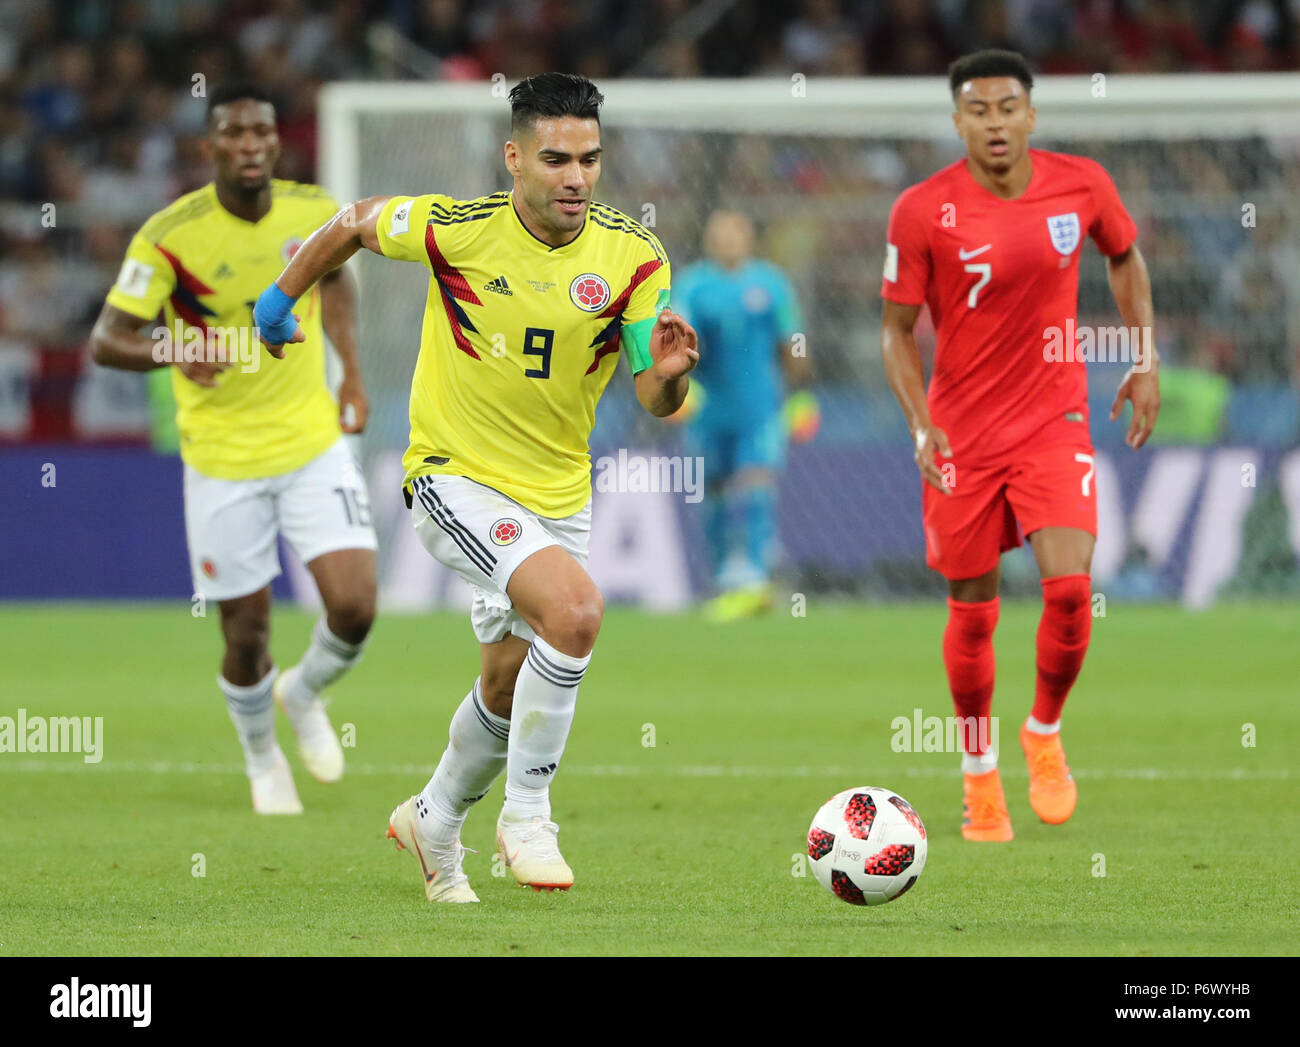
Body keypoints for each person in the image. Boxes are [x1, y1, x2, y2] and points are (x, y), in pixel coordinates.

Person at [253, 72, 698, 900]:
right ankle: (527, 816)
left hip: (557, 492)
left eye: (591, 160)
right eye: (557, 158)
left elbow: (653, 396)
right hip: (451, 477)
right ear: (515, 157)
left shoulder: (633, 255)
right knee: (577, 612)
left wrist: (670, 376)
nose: (576, 177)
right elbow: (352, 222)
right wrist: (280, 300)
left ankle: (433, 818)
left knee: (507, 681)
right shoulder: (456, 229)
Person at [880, 50, 1160, 841]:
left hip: (1053, 418)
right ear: (957, 120)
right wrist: (918, 422)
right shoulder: (921, 210)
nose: (995, 122)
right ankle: (977, 773)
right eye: (978, 109)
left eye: (1008, 107)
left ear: (1032, 115)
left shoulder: (1082, 185)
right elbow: (895, 331)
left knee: (1070, 590)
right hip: (960, 431)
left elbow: (1124, 254)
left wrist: (1145, 359)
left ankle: (1041, 730)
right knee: (972, 607)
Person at [89, 83, 377, 815]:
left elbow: (336, 280)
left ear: (276, 143)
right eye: (234, 135)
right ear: (210, 147)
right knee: (245, 633)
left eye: (262, 133)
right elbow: (107, 339)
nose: (250, 145)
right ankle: (261, 758)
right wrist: (176, 345)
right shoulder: (170, 234)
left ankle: (304, 691)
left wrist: (351, 374)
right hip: (220, 459)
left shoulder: (314, 211)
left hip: (311, 440)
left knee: (355, 606)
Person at [673, 210, 809, 622]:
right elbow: (679, 343)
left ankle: (753, 577)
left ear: (749, 238)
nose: (728, 241)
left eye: (736, 233)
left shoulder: (771, 284)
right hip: (709, 408)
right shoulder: (693, 286)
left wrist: (801, 386)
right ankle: (722, 579)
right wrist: (677, 390)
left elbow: (794, 339)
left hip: (760, 408)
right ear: (709, 239)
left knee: (755, 483)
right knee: (712, 492)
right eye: (720, 234)